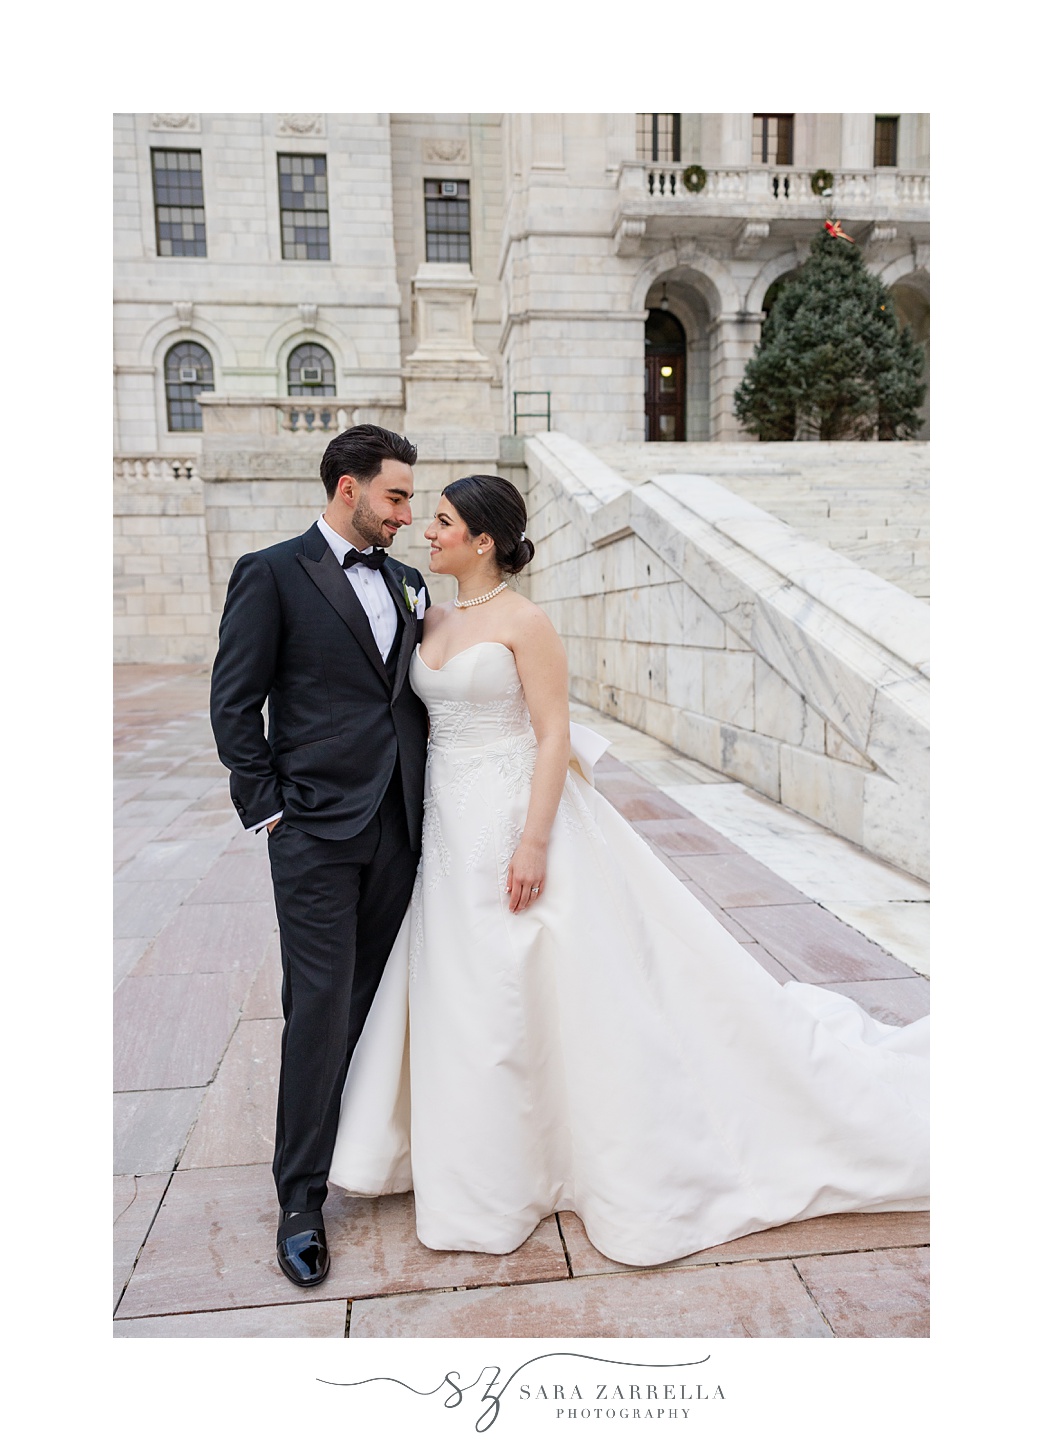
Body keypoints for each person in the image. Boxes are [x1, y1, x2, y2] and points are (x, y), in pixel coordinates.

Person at [327, 474, 928, 1269]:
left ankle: (568, 1158)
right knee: (469, 990)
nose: (426, 532)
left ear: (483, 541)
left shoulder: (526, 621)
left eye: (441, 522)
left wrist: (533, 841)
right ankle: (492, 1162)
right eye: (427, 519)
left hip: (516, 818)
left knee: (539, 981)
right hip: (448, 830)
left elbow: (551, 736)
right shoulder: (427, 614)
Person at [209, 424, 429, 1288]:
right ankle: (300, 1198)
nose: (407, 513)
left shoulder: (408, 583)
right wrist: (269, 813)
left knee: (372, 999)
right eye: (396, 496)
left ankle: (367, 1149)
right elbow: (235, 703)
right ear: (349, 488)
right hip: (312, 833)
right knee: (319, 1006)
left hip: (400, 829)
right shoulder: (271, 573)